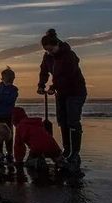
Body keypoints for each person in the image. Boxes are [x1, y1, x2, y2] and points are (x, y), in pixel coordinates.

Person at [37, 29, 87, 170]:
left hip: (75, 91)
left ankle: (75, 153)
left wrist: (53, 86)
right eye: (47, 50)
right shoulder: (47, 57)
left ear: (57, 44)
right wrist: (41, 85)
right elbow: (43, 71)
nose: (50, 52)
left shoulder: (68, 55)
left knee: (73, 121)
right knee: (62, 121)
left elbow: (68, 76)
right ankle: (67, 150)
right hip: (61, 93)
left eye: (51, 49)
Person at [0, 66, 18, 164]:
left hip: (8, 115)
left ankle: (9, 153)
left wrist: (0, 96)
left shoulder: (14, 90)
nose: (4, 79)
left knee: (9, 135)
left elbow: (10, 101)